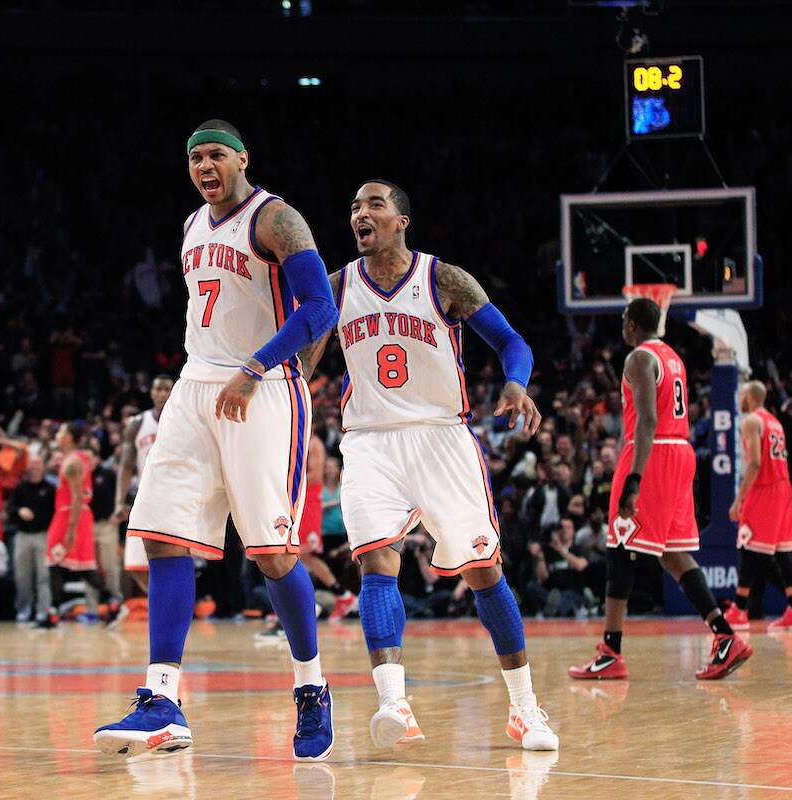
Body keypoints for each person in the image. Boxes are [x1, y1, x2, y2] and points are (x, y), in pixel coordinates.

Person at [95, 120, 339, 761]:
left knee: (272, 555)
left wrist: (257, 367)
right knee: (159, 534)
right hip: (195, 382)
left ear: (243, 160)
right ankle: (162, 699)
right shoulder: (189, 225)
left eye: (217, 156)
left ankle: (311, 688)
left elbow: (320, 309)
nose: (205, 166)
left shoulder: (276, 219)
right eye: (196, 157)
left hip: (261, 388)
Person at [299, 179, 557, 751]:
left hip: (442, 436)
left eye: (373, 205)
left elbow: (513, 341)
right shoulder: (338, 287)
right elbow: (303, 361)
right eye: (353, 207)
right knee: (375, 563)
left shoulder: (443, 279)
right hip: (369, 440)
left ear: (400, 221)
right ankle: (394, 703)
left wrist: (516, 384)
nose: (360, 214)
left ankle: (525, 708)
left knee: (484, 572)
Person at [570, 298, 752, 682]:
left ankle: (611, 651)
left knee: (620, 547)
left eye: (623, 319)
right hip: (680, 453)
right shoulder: (673, 357)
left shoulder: (638, 358)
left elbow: (648, 419)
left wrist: (634, 478)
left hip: (651, 456)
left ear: (634, 324)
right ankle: (724, 635)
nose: (621, 324)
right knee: (671, 553)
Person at [724, 381, 792, 631]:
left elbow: (755, 464)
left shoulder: (751, 421)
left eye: (741, 393)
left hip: (765, 489)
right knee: (782, 552)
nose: (739, 397)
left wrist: (739, 499)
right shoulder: (775, 422)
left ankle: (739, 609)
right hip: (783, 488)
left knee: (747, 547)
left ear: (749, 396)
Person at [46, 421, 119, 624]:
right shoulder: (79, 458)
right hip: (74, 515)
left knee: (55, 562)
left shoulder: (72, 463)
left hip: (71, 515)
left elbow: (78, 497)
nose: (58, 434)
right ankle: (112, 603)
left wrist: (70, 531)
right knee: (79, 567)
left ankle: (53, 614)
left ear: (69, 437)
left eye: (61, 431)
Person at [113, 374, 176, 592]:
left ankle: (173, 608)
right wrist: (119, 501)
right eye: (157, 389)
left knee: (173, 559)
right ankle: (159, 603)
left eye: (166, 389)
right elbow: (126, 466)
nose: (161, 394)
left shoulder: (182, 419)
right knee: (135, 563)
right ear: (151, 392)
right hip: (145, 496)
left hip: (175, 496)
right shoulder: (137, 423)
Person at [298, 427, 358, 618]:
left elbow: (315, 476)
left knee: (303, 553)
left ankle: (309, 602)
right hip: (300, 499)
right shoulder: (300, 441)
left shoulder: (313, 443)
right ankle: (340, 595)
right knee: (300, 555)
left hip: (310, 499)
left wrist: (289, 481)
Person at [10, 451, 56, 624]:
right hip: (23, 536)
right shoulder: (20, 488)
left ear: (43, 467)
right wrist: (19, 511)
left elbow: (55, 513)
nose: (35, 468)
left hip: (43, 536)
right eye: (32, 464)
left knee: (43, 576)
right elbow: (11, 510)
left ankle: (43, 611)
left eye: (38, 464)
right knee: (22, 576)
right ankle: (24, 609)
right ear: (28, 467)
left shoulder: (50, 489)